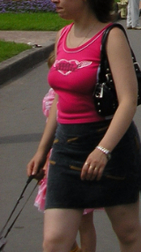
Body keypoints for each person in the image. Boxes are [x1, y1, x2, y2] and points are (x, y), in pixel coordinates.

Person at [27, 0, 141, 252]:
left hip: (110, 145)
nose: (54, 0)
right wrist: (42, 150)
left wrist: (103, 150)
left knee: (128, 233)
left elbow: (128, 101)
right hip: (66, 147)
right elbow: (60, 99)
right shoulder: (63, 35)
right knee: (55, 240)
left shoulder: (111, 36)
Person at [35, 54, 98, 252]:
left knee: (84, 220)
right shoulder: (52, 94)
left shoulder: (76, 95)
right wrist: (43, 154)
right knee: (56, 219)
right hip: (55, 155)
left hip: (75, 153)